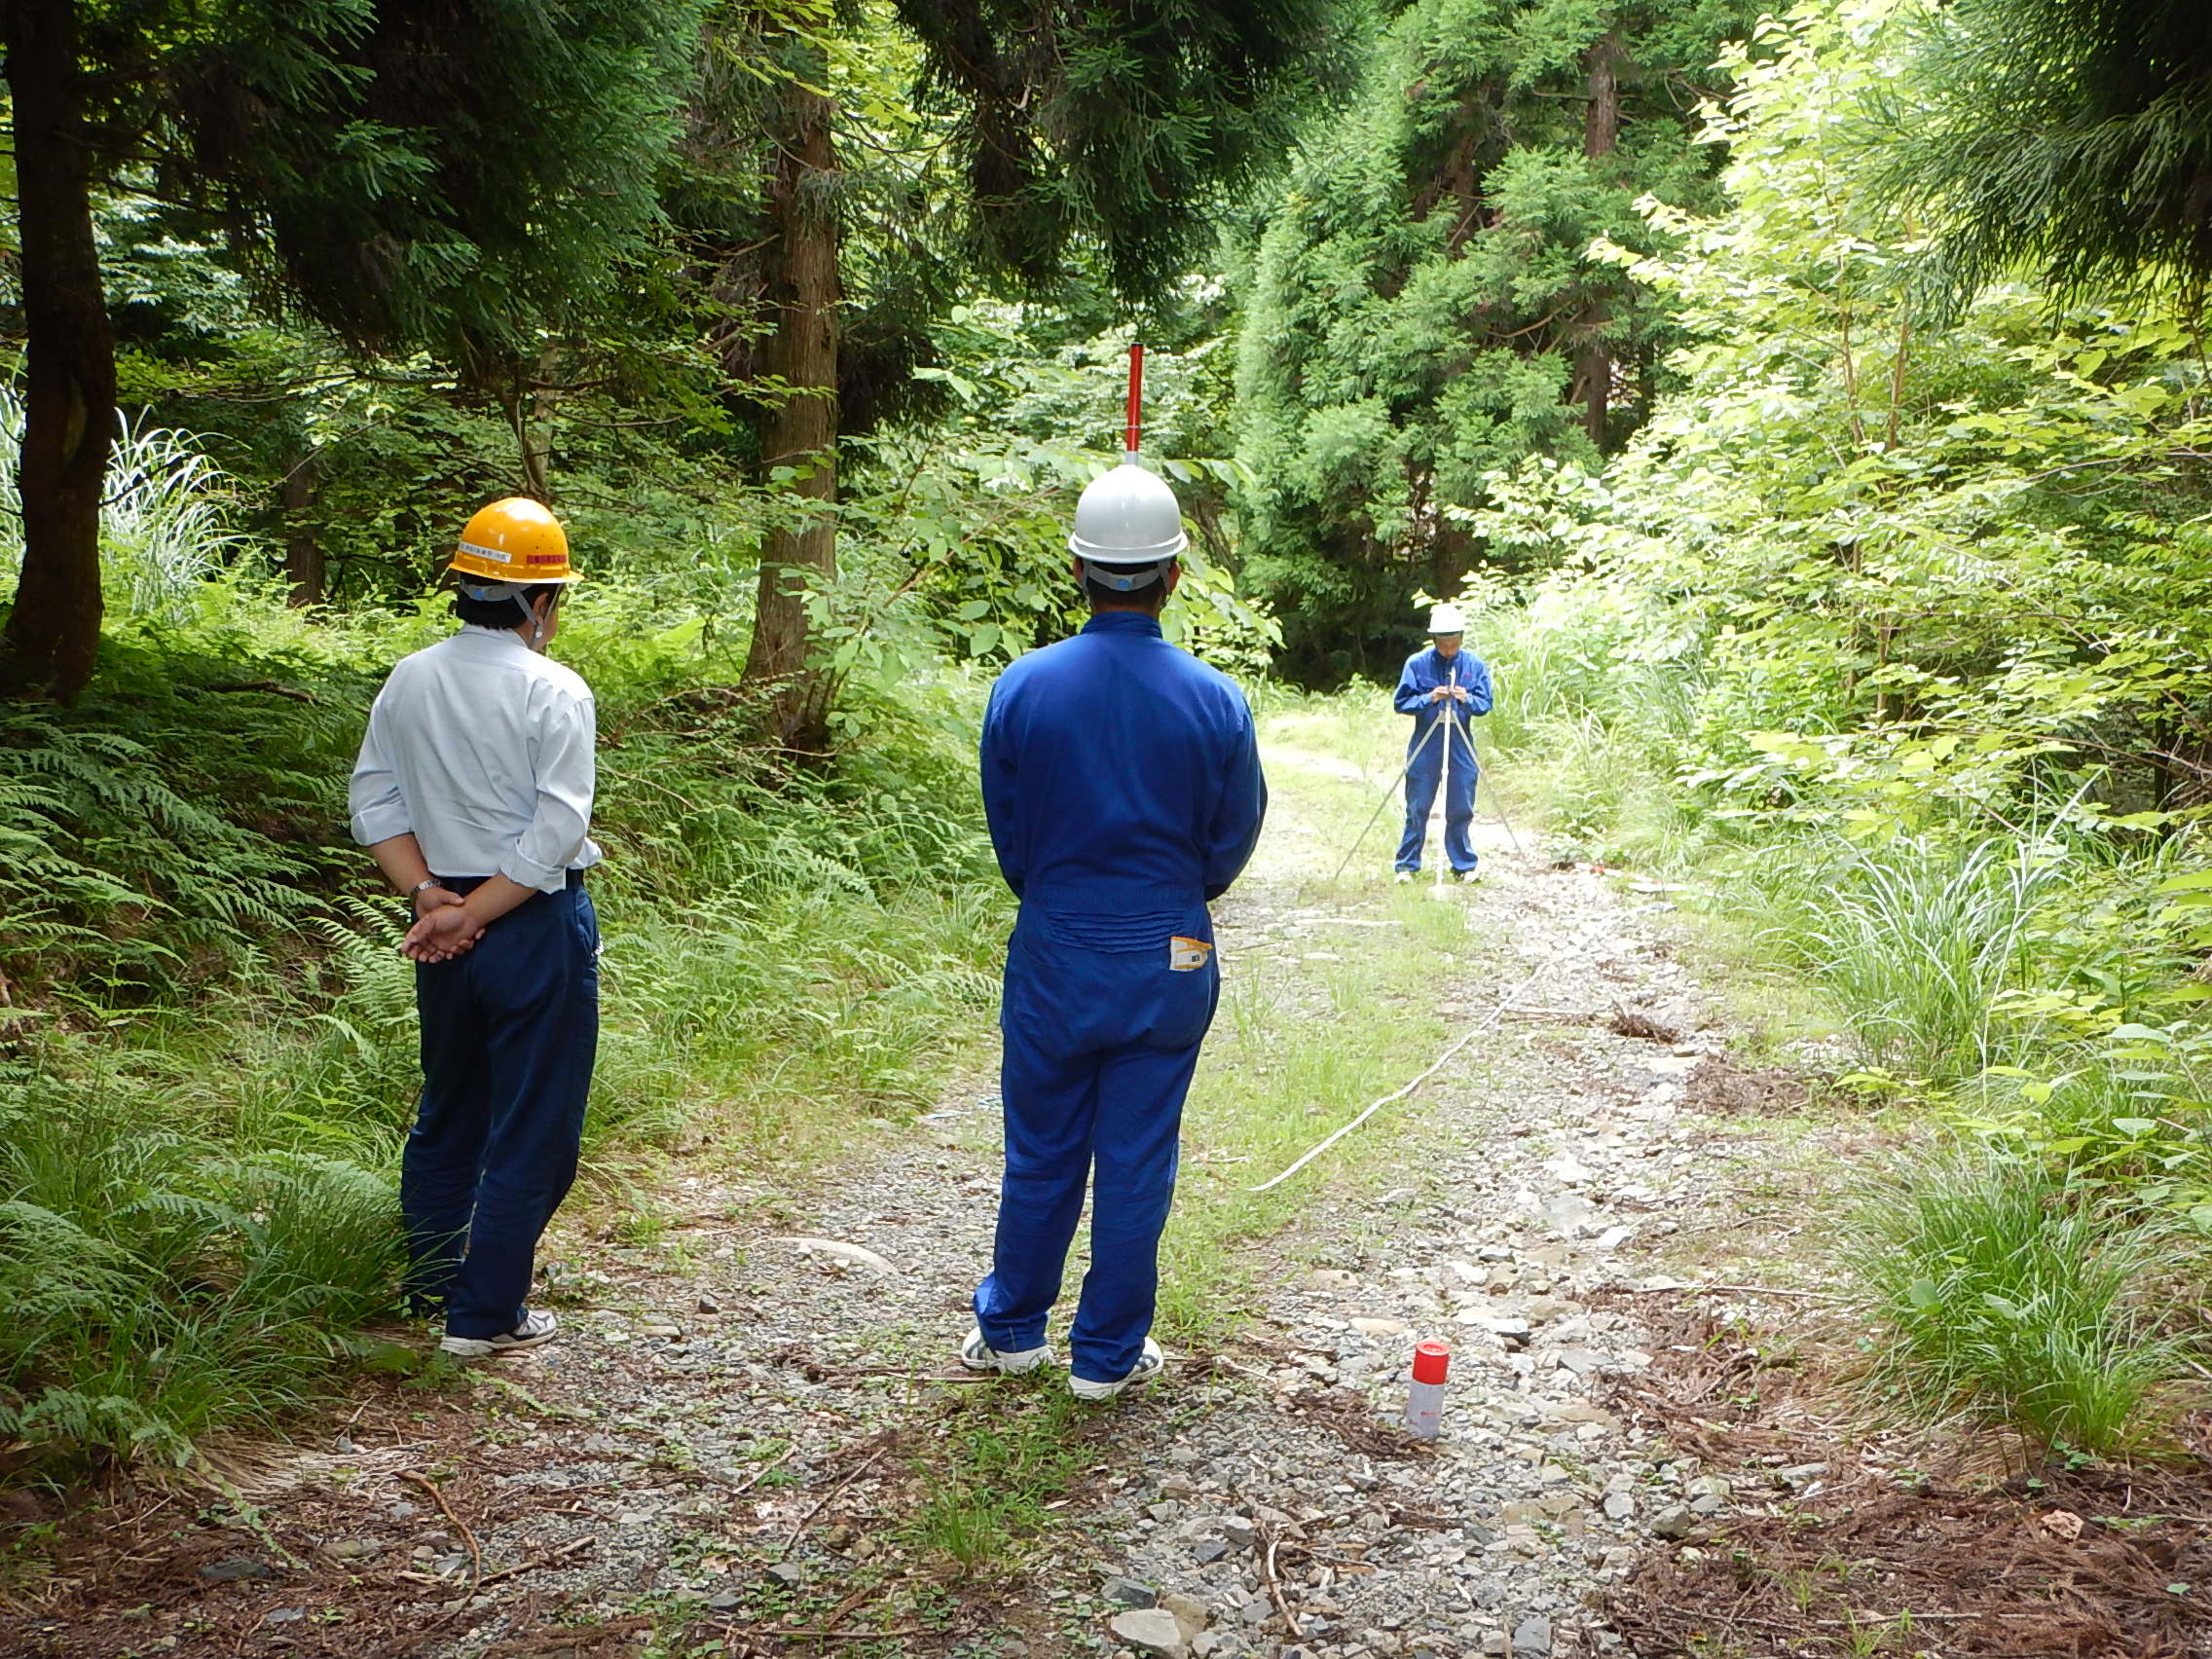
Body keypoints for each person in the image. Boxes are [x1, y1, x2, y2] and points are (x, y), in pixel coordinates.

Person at [966, 459, 1267, 1400]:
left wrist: (1060, 896)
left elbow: (1009, 831)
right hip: (1169, 951)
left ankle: (1014, 1332)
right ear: (1174, 575)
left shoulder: (1024, 687)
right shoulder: (1215, 699)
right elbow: (1233, 833)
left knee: (1043, 1144)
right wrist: (1178, 895)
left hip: (1057, 942)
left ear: (1078, 571)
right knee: (1137, 1155)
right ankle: (1107, 1357)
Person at [349, 498, 601, 1359]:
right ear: (539, 603)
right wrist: (474, 912)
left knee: (451, 1108)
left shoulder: (410, 676)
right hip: (530, 924)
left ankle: (429, 1292)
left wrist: (431, 899)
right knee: (534, 1122)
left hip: (442, 923)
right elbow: (556, 831)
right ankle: (484, 1316)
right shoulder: (554, 689)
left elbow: (373, 800)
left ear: (465, 589)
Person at [1392, 603, 1493, 882]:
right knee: (1418, 805)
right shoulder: (1416, 663)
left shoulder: (1474, 665)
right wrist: (1430, 698)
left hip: (1460, 739)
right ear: (1434, 639)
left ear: (1461, 638)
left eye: (1453, 643)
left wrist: (1466, 699)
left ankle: (1464, 865)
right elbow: (1401, 702)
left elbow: (1486, 704)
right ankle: (1407, 866)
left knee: (1461, 803)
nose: (1449, 649)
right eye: (1443, 644)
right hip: (1427, 740)